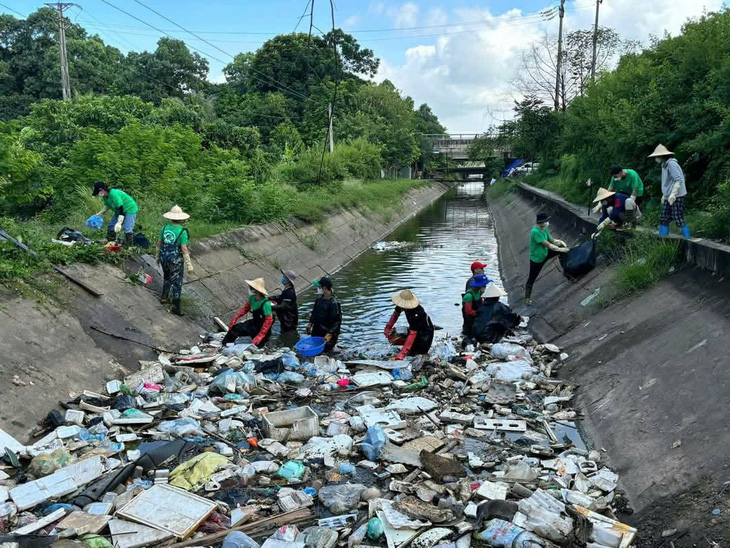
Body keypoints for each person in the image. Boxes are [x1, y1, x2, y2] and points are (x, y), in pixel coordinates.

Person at [156, 206, 195, 316]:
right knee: (177, 282)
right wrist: (189, 264)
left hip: (164, 257)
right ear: (182, 219)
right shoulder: (182, 231)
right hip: (175, 260)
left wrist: (157, 256)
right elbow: (184, 248)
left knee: (167, 277)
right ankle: (176, 307)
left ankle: (164, 297)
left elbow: (159, 243)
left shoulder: (164, 228)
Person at [524, 212, 568, 304]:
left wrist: (560, 243)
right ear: (541, 222)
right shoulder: (535, 231)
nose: (547, 222)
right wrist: (559, 249)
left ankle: (567, 270)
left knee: (562, 252)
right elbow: (547, 244)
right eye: (546, 221)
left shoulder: (544, 229)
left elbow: (551, 240)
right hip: (537, 259)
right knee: (531, 278)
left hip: (545, 253)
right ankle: (527, 298)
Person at [649, 144, 690, 238]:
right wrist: (665, 195)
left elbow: (679, 179)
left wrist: (673, 194)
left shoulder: (671, 164)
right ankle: (662, 239)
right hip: (668, 195)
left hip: (677, 195)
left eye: (657, 157)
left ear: (662, 156)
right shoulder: (664, 165)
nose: (656, 159)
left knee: (677, 217)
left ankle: (687, 237)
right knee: (664, 217)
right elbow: (667, 182)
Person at [383, 290, 435, 361]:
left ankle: (413, 350)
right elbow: (395, 314)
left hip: (425, 335)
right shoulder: (402, 305)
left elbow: (412, 334)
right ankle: (407, 348)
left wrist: (403, 353)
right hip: (414, 330)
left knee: (414, 353)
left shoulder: (417, 313)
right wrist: (388, 328)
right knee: (392, 336)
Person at [223, 278, 274, 347]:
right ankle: (226, 345)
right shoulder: (252, 298)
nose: (249, 289)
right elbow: (245, 308)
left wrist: (261, 335)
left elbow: (269, 321)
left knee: (258, 345)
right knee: (235, 329)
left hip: (262, 327)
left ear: (257, 291)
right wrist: (235, 318)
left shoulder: (266, 303)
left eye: (251, 288)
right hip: (254, 323)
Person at [306, 276, 341, 351]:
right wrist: (310, 323)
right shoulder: (319, 299)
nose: (319, 289)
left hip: (327, 334)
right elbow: (314, 313)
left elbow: (336, 322)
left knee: (326, 351)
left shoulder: (333, 303)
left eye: (320, 287)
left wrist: (330, 333)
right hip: (317, 330)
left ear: (324, 288)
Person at [462, 273, 489, 338]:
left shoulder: (479, 292)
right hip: (470, 317)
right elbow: (468, 311)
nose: (484, 286)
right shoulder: (469, 296)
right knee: (469, 332)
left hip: (476, 316)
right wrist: (478, 313)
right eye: (483, 285)